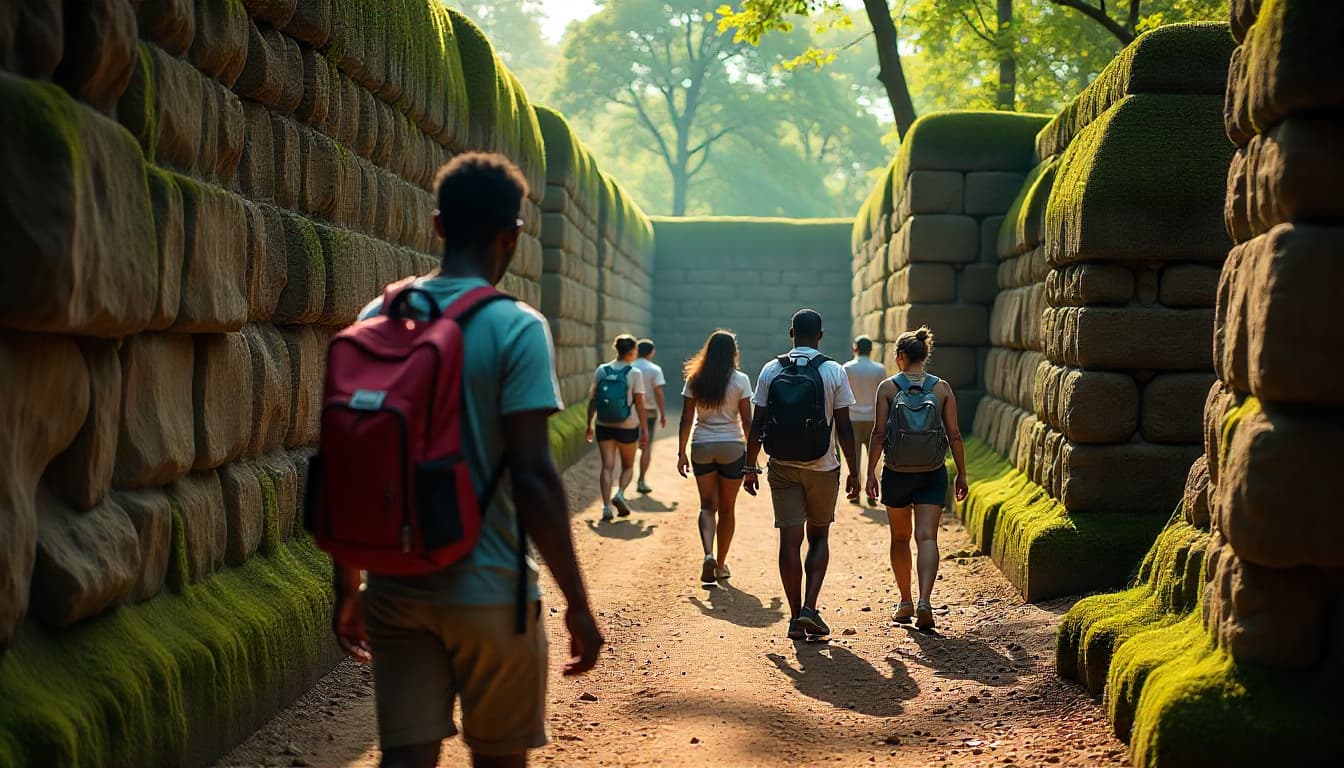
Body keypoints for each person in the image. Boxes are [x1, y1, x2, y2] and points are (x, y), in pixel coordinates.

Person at [333, 152, 604, 768]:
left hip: (395, 586)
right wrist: (578, 604)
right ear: (513, 236)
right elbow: (534, 475)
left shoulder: (378, 317)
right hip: (491, 592)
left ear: (436, 226)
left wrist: (348, 585)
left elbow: (354, 461)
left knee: (404, 759)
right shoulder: (516, 328)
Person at [744, 309, 860, 640]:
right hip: (823, 465)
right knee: (819, 537)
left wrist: (750, 467)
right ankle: (810, 607)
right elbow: (845, 426)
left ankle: (795, 617)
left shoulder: (771, 369)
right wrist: (854, 471)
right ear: (820, 336)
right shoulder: (834, 370)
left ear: (790, 333)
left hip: (781, 466)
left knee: (789, 541)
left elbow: (758, 422)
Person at [865, 326, 969, 631]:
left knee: (899, 537)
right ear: (924, 356)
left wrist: (870, 471)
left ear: (900, 357)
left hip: (897, 473)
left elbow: (879, 433)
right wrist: (961, 473)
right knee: (927, 537)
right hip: (932, 472)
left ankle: (905, 601)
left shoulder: (887, 388)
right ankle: (925, 601)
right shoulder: (942, 389)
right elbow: (955, 434)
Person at [676, 330, 752, 584]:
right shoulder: (740, 380)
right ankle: (720, 564)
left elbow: (687, 418)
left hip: (702, 446)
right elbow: (747, 421)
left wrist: (681, 452)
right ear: (733, 353)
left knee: (707, 506)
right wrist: (752, 459)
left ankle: (707, 553)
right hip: (732, 446)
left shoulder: (695, 379)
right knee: (728, 509)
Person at [586, 334, 650, 521]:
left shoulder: (602, 370)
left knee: (607, 466)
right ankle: (620, 493)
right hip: (627, 425)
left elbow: (592, 400)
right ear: (632, 352)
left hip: (603, 424)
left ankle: (606, 507)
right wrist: (644, 429)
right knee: (628, 465)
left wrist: (588, 424)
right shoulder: (634, 373)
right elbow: (640, 404)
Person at [842, 335, 887, 507]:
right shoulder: (879, 369)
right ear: (871, 350)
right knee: (874, 460)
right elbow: (883, 395)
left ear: (855, 349)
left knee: (853, 459)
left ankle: (855, 492)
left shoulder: (846, 368)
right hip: (873, 419)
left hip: (852, 418)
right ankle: (872, 493)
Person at [632, 338, 667, 494]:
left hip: (630, 411)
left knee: (629, 445)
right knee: (646, 446)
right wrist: (663, 413)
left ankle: (624, 480)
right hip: (649, 412)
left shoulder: (630, 367)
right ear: (651, 352)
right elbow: (658, 393)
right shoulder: (655, 369)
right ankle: (641, 480)